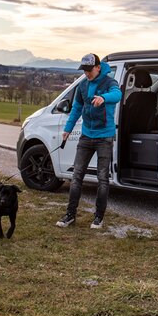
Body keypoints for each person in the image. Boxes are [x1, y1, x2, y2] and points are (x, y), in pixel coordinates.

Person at [56, 53, 122, 229]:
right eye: (84, 70)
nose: (87, 73)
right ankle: (70, 215)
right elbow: (76, 109)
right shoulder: (83, 86)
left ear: (98, 67)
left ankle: (99, 217)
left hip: (104, 137)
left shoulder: (109, 83)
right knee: (76, 176)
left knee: (102, 178)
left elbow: (117, 95)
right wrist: (68, 129)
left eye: (89, 69)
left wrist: (104, 98)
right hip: (86, 136)